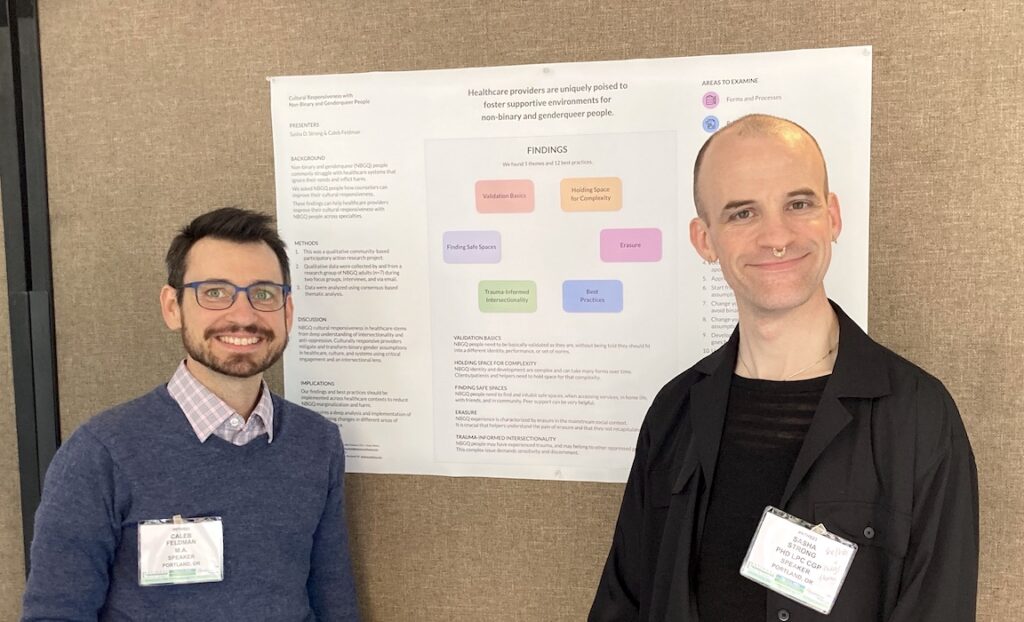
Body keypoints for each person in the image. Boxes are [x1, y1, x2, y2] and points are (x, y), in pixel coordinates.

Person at [589, 115, 978, 621]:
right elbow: (625, 602)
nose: (777, 236)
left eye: (798, 204)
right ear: (704, 240)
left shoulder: (919, 418)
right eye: (742, 213)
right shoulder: (675, 412)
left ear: (832, 217)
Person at [22, 207, 360, 621]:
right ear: (173, 307)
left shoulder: (317, 442)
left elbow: (334, 602)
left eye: (264, 294)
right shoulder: (101, 454)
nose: (243, 315)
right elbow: (55, 613)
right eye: (215, 292)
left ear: (287, 312)